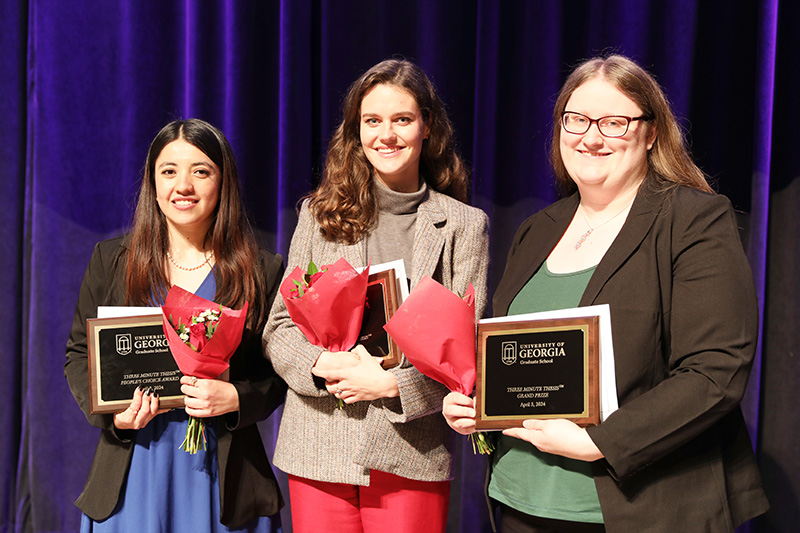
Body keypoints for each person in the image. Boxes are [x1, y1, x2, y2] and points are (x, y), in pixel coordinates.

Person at [443, 54, 769, 532]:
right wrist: (476, 402)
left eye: (614, 122)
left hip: (636, 508)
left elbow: (715, 370)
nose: (590, 137)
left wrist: (600, 441)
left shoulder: (693, 219)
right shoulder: (537, 229)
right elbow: (515, 352)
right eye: (575, 120)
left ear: (651, 132)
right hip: (520, 501)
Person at [263, 59, 489, 533]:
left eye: (402, 119)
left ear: (427, 126)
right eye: (372, 121)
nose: (387, 134)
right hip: (320, 445)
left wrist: (391, 386)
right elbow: (279, 327)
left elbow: (465, 351)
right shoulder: (318, 214)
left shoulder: (464, 225)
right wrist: (323, 367)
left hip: (409, 449)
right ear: (357, 131)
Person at [65, 119, 286, 532]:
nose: (182, 185)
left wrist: (235, 397)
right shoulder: (112, 259)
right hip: (134, 468)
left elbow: (280, 375)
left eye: (200, 171)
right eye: (169, 171)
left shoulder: (261, 270)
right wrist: (115, 415)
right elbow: (79, 354)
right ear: (153, 182)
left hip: (224, 474)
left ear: (223, 182)